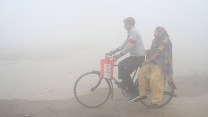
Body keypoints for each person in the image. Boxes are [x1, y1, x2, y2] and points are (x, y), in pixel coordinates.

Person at [110, 17, 145, 102]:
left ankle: (136, 93)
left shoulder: (133, 32)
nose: (124, 25)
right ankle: (124, 83)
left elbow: (130, 46)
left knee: (125, 73)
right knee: (121, 64)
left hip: (138, 57)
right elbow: (124, 44)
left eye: (125, 23)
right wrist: (115, 51)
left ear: (130, 23)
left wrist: (118, 55)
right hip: (134, 56)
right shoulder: (130, 32)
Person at [137, 26, 175, 107]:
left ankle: (155, 101)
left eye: (156, 32)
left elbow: (158, 51)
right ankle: (142, 93)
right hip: (151, 62)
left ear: (161, 32)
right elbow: (152, 50)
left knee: (154, 79)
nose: (154, 33)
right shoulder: (154, 40)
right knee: (141, 73)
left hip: (161, 64)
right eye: (154, 32)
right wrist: (142, 51)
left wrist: (149, 59)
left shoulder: (166, 40)